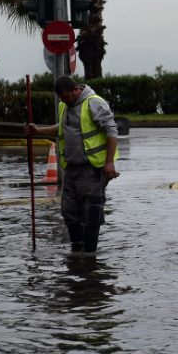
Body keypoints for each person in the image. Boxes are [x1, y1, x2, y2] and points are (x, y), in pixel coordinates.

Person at [27, 76, 120, 255]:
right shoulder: (65, 105)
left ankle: (90, 255)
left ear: (76, 90)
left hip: (92, 168)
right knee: (69, 211)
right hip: (71, 168)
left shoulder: (94, 103)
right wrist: (38, 131)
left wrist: (109, 162)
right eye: (61, 98)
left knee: (91, 212)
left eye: (66, 97)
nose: (64, 101)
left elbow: (111, 130)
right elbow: (61, 128)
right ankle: (77, 251)